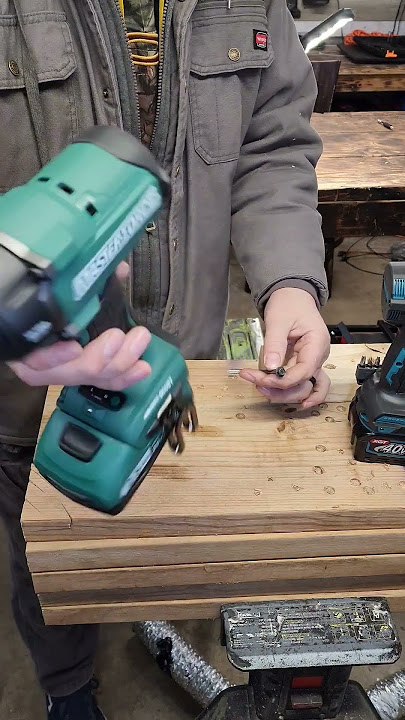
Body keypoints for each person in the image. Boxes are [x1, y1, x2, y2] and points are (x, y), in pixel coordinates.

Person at [0, 0, 330, 718]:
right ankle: (67, 687)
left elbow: (271, 148)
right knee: (48, 556)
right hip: (25, 389)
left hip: (186, 353)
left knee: (174, 515)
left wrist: (288, 282)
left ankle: (168, 613)